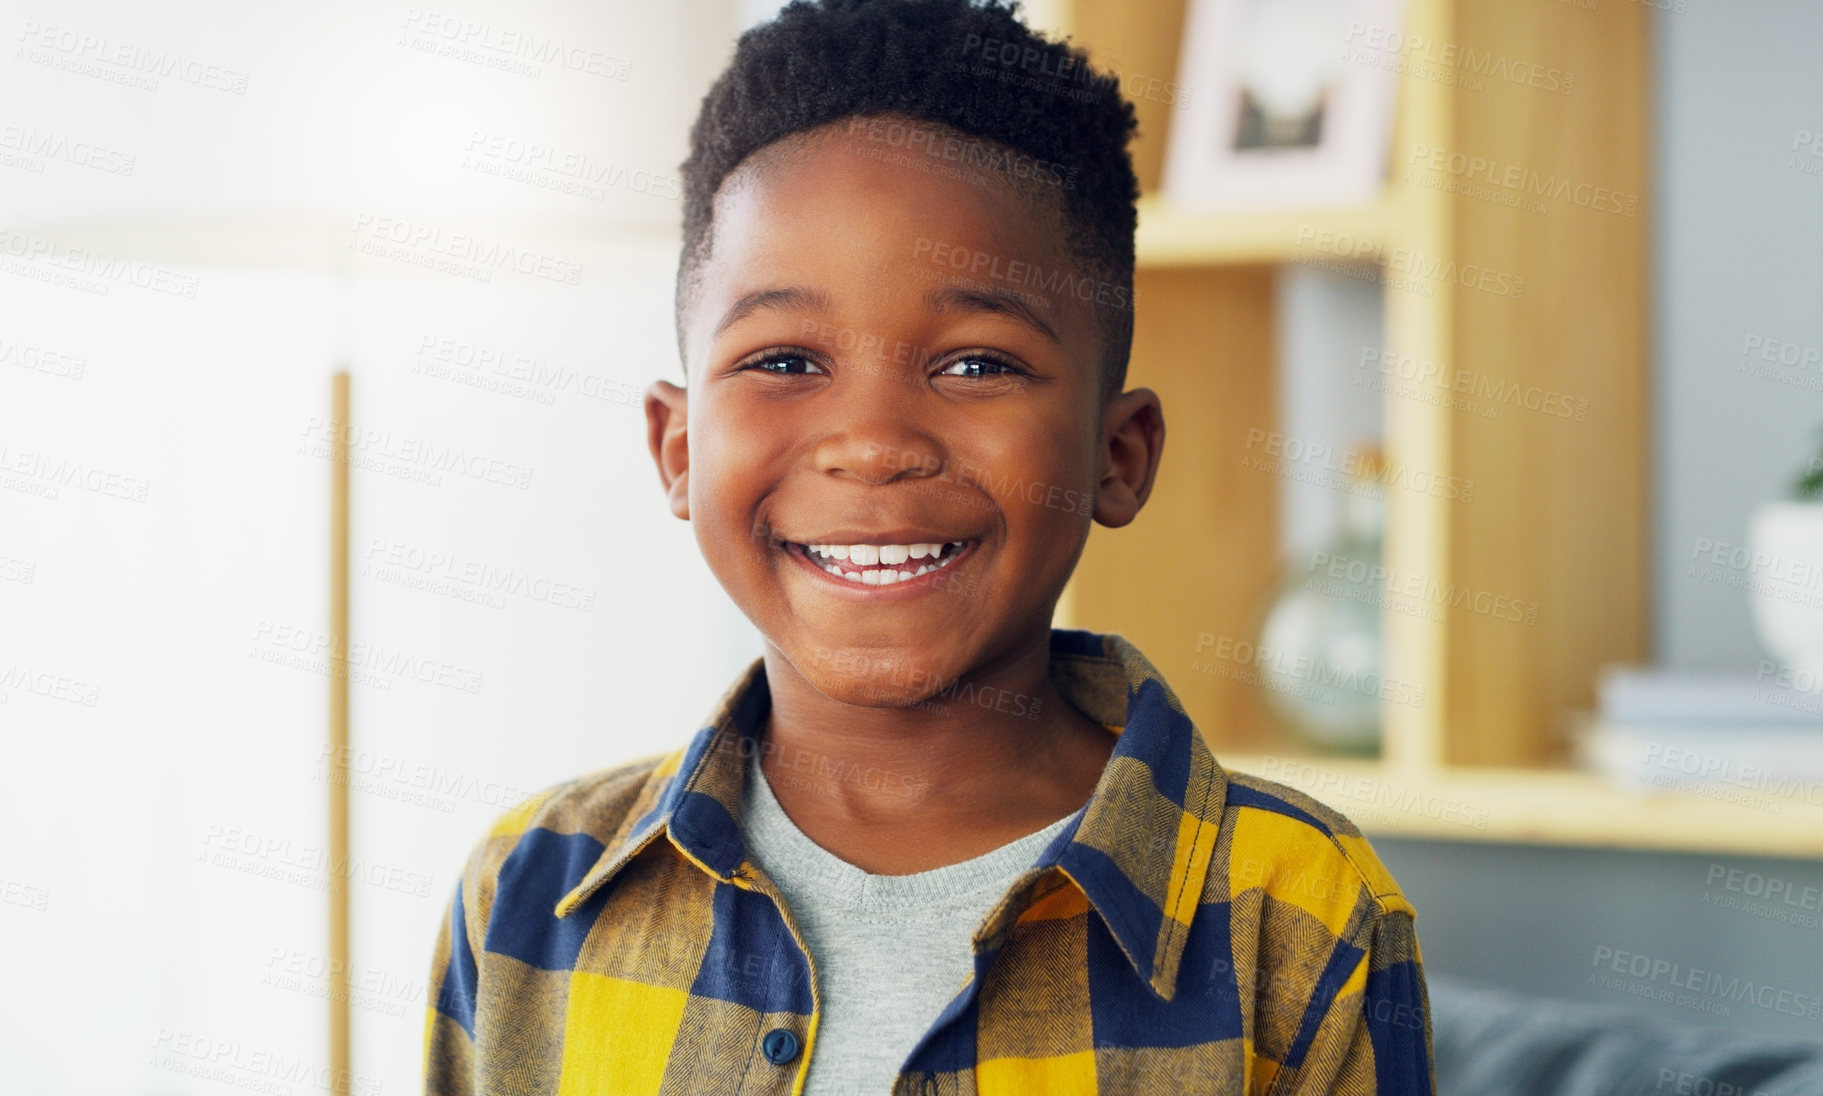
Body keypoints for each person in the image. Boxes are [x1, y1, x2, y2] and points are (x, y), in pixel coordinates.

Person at [424, 1, 1435, 1092]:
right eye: (781, 362)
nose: (870, 445)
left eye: (974, 365)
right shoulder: (531, 891)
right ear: (675, 446)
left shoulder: (1297, 915)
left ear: (1118, 453)